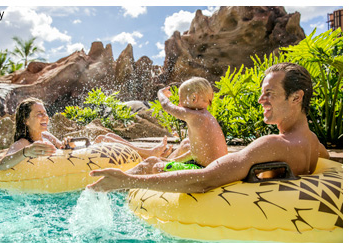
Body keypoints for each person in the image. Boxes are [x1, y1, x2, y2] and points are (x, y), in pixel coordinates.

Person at [87, 63, 330, 193]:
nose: (260, 100)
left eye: (269, 94)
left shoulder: (274, 144)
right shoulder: (315, 146)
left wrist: (128, 181)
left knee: (152, 166)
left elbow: (204, 180)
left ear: (296, 97)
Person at [90, 76, 228, 179]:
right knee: (185, 144)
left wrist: (161, 94)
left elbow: (167, 106)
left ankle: (118, 182)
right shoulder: (207, 117)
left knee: (151, 163)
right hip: (215, 168)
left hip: (204, 172)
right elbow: (197, 151)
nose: (179, 104)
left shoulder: (193, 115)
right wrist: (171, 161)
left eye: (181, 99)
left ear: (193, 98)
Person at [0, 97, 75, 170]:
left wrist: (67, 144)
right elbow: (3, 165)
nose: (45, 116)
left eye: (45, 113)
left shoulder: (46, 135)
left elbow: (61, 147)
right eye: (39, 114)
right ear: (26, 121)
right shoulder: (23, 143)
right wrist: (27, 151)